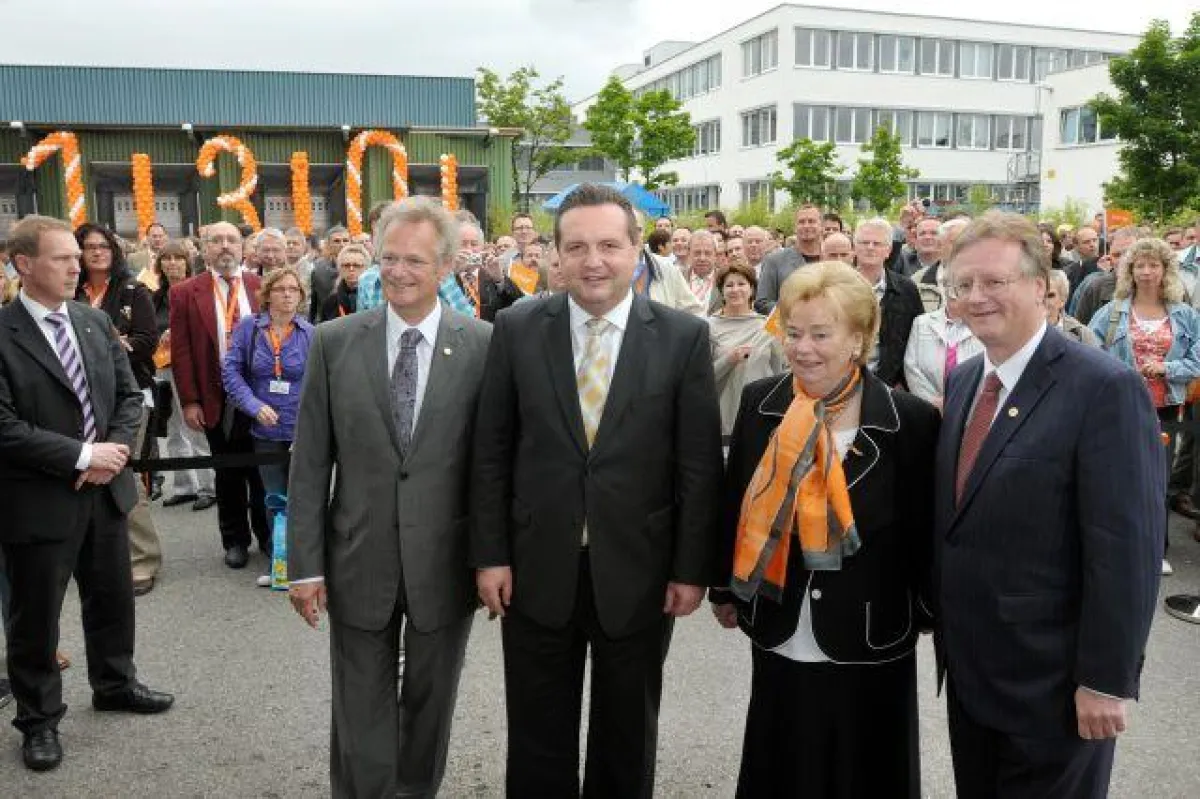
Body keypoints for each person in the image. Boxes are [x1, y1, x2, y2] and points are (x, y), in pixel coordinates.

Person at [471, 183, 723, 797]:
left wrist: (692, 569)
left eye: (609, 245)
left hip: (640, 571)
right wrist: (490, 555)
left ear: (637, 250)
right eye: (577, 246)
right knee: (538, 734)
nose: (593, 261)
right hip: (534, 568)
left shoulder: (683, 337)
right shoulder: (516, 327)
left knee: (626, 736)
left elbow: (697, 466)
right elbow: (491, 453)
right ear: (555, 254)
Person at [935, 212, 1163, 798]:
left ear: (1041, 286)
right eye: (963, 284)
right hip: (973, 679)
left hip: (1055, 689)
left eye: (995, 281)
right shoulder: (964, 381)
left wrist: (1106, 680)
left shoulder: (1104, 388)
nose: (976, 297)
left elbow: (1126, 550)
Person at [712, 260, 939, 798]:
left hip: (872, 627)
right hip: (780, 616)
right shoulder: (761, 402)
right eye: (793, 333)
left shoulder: (909, 419)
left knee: (867, 771)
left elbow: (924, 530)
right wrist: (726, 589)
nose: (803, 349)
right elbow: (735, 500)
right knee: (782, 764)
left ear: (858, 338)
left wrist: (930, 610)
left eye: (820, 334)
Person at [288, 197, 490, 798]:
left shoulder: (484, 345)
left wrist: (493, 559)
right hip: (357, 557)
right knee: (359, 705)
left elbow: (492, 468)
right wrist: (304, 566)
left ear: (446, 265)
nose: (399, 272)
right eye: (389, 258)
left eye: (415, 261)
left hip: (445, 563)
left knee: (432, 704)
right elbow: (309, 463)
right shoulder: (334, 341)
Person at [0, 215, 174, 772]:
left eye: (77, 258)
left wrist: (113, 453)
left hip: (104, 491)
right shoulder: (4, 333)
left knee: (112, 597)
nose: (76, 267)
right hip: (39, 499)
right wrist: (82, 456)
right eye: (62, 258)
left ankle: (115, 683)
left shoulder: (93, 322)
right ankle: (38, 720)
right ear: (24, 265)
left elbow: (128, 396)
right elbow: (4, 426)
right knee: (35, 618)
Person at [1088, 238, 1200, 577]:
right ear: (1130, 270)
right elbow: (1090, 353)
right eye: (1140, 265)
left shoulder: (1184, 314)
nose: (1147, 271)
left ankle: (1156, 549)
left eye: (1154, 265)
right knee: (1117, 476)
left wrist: (1168, 368)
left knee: (1157, 480)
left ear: (1166, 270)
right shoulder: (1111, 312)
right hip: (1120, 407)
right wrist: (1121, 373)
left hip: (1164, 410)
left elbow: (1197, 358)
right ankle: (1114, 545)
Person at [170, 221, 268, 569]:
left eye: (231, 240)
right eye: (216, 240)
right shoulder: (185, 292)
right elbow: (181, 352)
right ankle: (235, 540)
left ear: (243, 247)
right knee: (227, 474)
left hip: (261, 399)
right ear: (204, 248)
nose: (225, 246)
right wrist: (190, 401)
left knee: (263, 472)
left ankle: (268, 537)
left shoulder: (262, 286)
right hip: (217, 397)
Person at [74, 222, 164, 596]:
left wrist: (109, 345)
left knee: (121, 472)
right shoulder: (70, 291)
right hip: (79, 397)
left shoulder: (132, 290)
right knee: (85, 472)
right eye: (89, 247)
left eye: (104, 246)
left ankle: (143, 559)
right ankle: (96, 554)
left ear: (114, 251)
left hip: (128, 393)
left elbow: (147, 341)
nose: (97, 252)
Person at [222, 266, 314, 588]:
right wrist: (254, 405)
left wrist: (307, 426)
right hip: (264, 430)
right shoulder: (249, 328)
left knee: (304, 496)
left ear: (301, 296)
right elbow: (231, 372)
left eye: (293, 289)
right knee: (273, 497)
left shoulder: (310, 333)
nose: (287, 295)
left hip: (301, 429)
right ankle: (281, 563)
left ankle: (308, 563)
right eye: (280, 289)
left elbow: (319, 383)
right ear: (267, 294)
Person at [150, 242, 217, 511]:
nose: (172, 263)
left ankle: (208, 487)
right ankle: (184, 486)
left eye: (178, 258)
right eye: (166, 259)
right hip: (162, 366)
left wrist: (176, 333)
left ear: (187, 262)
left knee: (195, 426)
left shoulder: (195, 291)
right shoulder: (155, 296)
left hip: (188, 366)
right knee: (173, 429)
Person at [707, 263, 784, 435]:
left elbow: (779, 372)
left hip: (761, 418)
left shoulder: (768, 327)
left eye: (741, 284)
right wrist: (729, 360)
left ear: (752, 289)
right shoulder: (708, 327)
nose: (735, 290)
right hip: (724, 421)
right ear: (721, 291)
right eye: (729, 285)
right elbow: (701, 379)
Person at [853, 219, 923, 389]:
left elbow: (916, 340)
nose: (870, 247)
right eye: (864, 242)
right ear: (855, 248)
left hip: (889, 386)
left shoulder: (906, 289)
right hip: (842, 383)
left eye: (877, 243)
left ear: (888, 250)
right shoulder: (837, 286)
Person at [904, 284, 985, 409]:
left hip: (969, 407)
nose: (954, 300)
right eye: (951, 295)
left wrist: (960, 403)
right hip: (927, 407)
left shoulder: (983, 325)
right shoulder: (921, 323)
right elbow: (911, 367)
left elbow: (986, 370)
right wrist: (931, 401)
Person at [755, 204, 824, 313]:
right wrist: (793, 311)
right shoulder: (774, 261)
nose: (806, 226)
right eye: (801, 222)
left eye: (811, 221)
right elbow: (762, 303)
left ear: (821, 226)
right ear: (795, 227)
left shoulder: (832, 258)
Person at [1068, 226, 1137, 325]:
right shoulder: (1094, 287)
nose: (1123, 260)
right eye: (1116, 255)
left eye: (1128, 254)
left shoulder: (1158, 288)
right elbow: (1078, 329)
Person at [1046, 269, 1100, 346]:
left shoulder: (1082, 335)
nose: (1043, 300)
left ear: (1063, 299)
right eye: (1039, 294)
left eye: (1050, 296)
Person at [308, 225, 350, 322]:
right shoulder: (318, 269)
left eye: (345, 240)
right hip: (326, 321)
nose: (342, 244)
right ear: (328, 244)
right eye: (337, 241)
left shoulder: (361, 266)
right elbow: (313, 304)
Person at [319, 243, 369, 321]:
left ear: (366, 268)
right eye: (346, 265)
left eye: (357, 265)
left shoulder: (374, 299)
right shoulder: (330, 302)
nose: (351, 269)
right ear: (340, 268)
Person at [684, 229, 722, 315]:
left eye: (707, 253)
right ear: (689, 254)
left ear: (715, 255)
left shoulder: (725, 278)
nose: (702, 258)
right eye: (697, 253)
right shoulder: (678, 277)